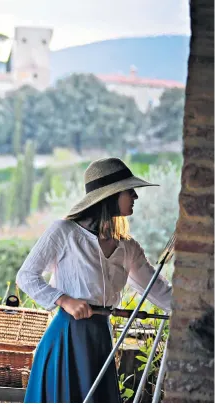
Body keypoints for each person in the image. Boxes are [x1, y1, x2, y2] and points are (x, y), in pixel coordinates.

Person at [16, 157, 173, 403]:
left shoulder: (128, 247)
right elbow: (26, 276)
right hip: (67, 338)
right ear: (111, 195)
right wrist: (64, 300)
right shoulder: (64, 232)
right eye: (129, 191)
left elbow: (158, 290)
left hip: (101, 338)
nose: (135, 196)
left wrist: (192, 310)